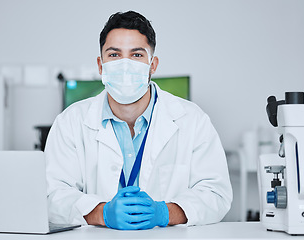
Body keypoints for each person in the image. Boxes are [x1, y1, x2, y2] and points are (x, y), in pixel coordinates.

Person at [45, 11, 232, 230]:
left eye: (136, 55)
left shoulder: (192, 120)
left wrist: (164, 212)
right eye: (114, 55)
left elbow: (216, 194)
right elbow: (52, 195)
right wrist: (101, 213)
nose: (125, 66)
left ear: (152, 65)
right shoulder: (70, 122)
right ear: (100, 64)